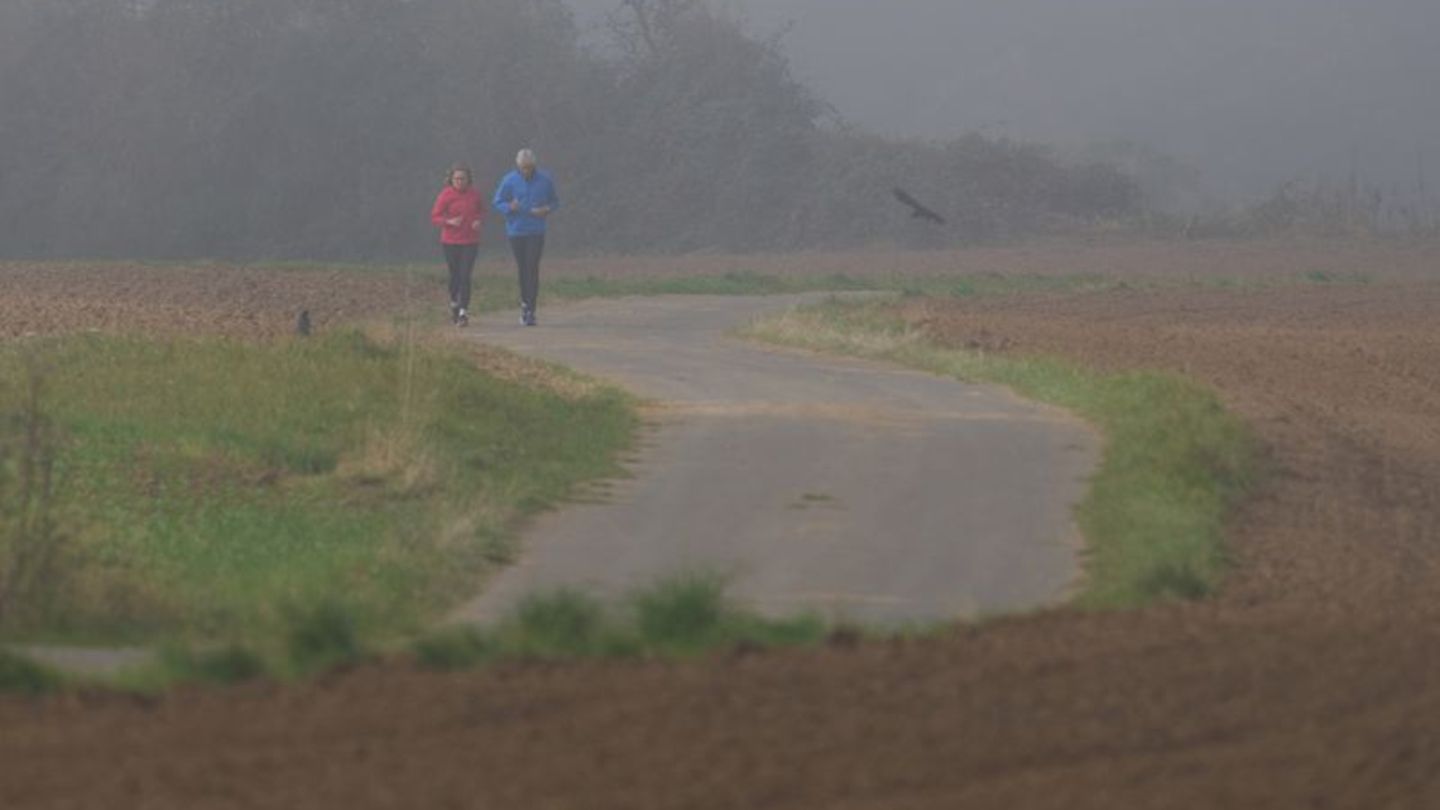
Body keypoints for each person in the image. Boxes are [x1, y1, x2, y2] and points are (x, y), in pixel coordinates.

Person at [493, 148, 559, 326]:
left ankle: (531, 309)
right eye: (523, 167)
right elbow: (497, 201)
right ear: (518, 166)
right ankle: (524, 304)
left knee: (532, 267)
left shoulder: (545, 179)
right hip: (516, 230)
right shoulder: (509, 180)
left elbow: (555, 201)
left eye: (529, 167)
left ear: (534, 165)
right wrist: (509, 207)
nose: (526, 171)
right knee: (523, 268)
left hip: (536, 231)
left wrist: (546, 209)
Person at [430, 162, 485, 327]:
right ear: (451, 180)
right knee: (454, 275)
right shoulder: (445, 195)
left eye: (463, 178)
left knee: (465, 276)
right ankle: (454, 301)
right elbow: (434, 217)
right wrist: (449, 221)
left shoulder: (475, 194)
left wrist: (478, 221)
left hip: (470, 241)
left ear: (469, 180)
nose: (460, 181)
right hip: (450, 241)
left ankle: (463, 312)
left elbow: (482, 211)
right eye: (457, 178)